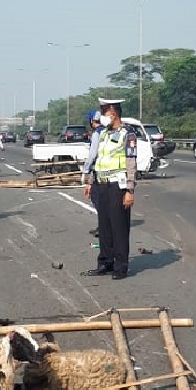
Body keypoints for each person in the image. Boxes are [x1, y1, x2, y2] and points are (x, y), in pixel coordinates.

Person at [84, 98, 136, 280]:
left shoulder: (127, 135)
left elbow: (131, 163)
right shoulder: (104, 134)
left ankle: (121, 267)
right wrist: (90, 181)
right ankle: (105, 262)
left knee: (119, 227)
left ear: (113, 113)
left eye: (104, 111)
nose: (102, 115)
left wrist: (130, 190)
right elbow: (99, 158)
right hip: (102, 184)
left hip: (117, 186)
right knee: (104, 227)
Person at [82, 109, 104, 237]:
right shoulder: (106, 132)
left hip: (98, 171)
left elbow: (92, 154)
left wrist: (86, 170)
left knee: (97, 199)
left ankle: (103, 228)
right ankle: (103, 227)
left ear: (91, 121)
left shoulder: (97, 134)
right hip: (106, 171)